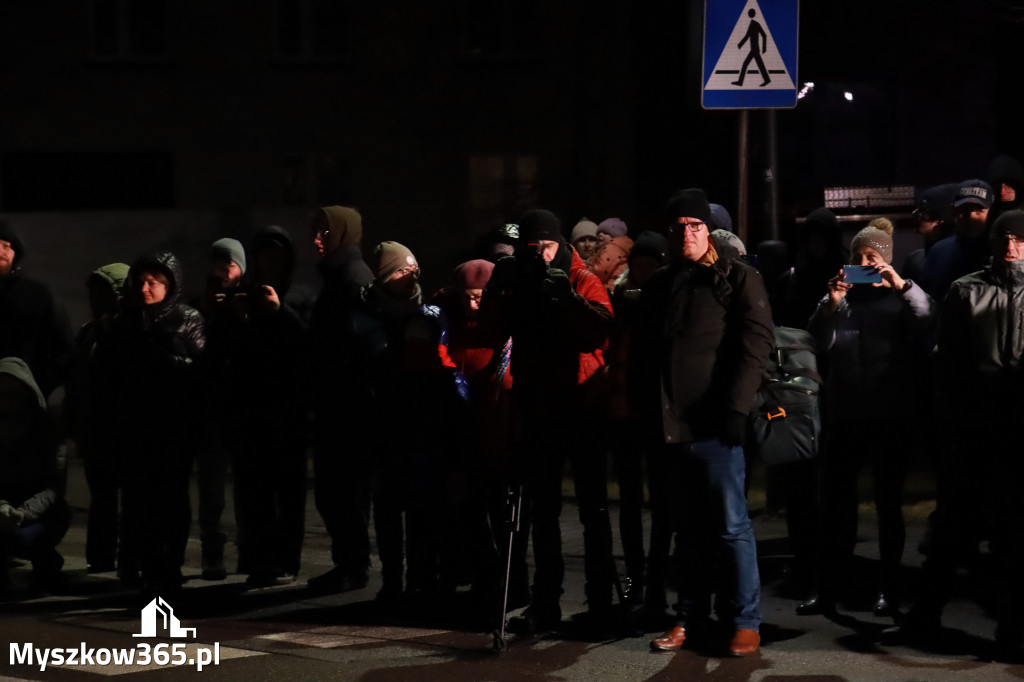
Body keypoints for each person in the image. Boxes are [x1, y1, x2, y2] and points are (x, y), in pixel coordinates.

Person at [888, 209, 1024, 658]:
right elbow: (948, 365)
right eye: (1004, 239)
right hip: (974, 428)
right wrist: (951, 423)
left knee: (1013, 535)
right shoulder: (967, 290)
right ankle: (926, 615)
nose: (1011, 247)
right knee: (952, 528)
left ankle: (1013, 630)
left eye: (1019, 240)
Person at [643, 188, 774, 657]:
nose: (686, 234)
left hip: (716, 425)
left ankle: (744, 621)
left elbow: (754, 347)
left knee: (731, 525)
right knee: (688, 528)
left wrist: (737, 410)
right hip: (671, 426)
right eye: (678, 227)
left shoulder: (737, 278)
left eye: (694, 226)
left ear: (708, 229)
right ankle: (689, 617)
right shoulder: (660, 284)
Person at [482, 208, 616, 636]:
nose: (538, 253)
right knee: (542, 512)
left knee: (593, 511)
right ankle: (545, 603)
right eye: (531, 247)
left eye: (546, 246)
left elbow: (599, 333)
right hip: (537, 406)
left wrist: (565, 297)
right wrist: (497, 291)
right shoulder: (520, 279)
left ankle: (602, 602)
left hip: (582, 406)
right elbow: (490, 331)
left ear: (560, 244)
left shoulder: (580, 278)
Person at [798, 218, 936, 618]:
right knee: (835, 507)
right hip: (845, 415)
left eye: (872, 257)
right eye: (857, 256)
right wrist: (831, 304)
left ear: (886, 261)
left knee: (888, 506)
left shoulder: (900, 298)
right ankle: (827, 590)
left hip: (891, 416)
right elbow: (816, 344)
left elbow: (930, 320)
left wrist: (902, 284)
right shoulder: (842, 302)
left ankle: (889, 590)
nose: (863, 262)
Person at [96, 251, 205, 597]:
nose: (145, 288)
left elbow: (203, 370)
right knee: (136, 499)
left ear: (169, 284)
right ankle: (139, 563)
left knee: (171, 498)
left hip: (174, 425)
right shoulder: (123, 320)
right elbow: (106, 375)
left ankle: (169, 565)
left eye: (153, 282)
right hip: (133, 423)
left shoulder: (186, 318)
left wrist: (164, 359)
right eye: (140, 281)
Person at [308, 205, 375, 593]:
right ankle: (347, 563)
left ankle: (353, 565)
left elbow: (357, 344)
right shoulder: (338, 275)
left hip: (348, 406)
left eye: (323, 231)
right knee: (334, 492)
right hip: (337, 402)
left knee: (345, 492)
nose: (317, 239)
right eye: (315, 231)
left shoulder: (351, 277)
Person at [608, 231, 671, 611]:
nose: (643, 272)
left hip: (657, 417)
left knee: (662, 509)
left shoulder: (668, 303)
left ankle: (658, 589)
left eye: (652, 265)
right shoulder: (616, 300)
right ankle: (633, 586)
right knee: (630, 509)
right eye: (639, 264)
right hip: (622, 415)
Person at [64, 263, 130, 574]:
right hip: (95, 429)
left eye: (103, 291)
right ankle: (102, 556)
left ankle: (127, 556)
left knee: (127, 498)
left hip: (123, 428)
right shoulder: (89, 333)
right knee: (102, 497)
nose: (96, 298)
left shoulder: (128, 330)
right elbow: (77, 381)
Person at [194, 238, 249, 581]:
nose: (224, 272)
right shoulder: (198, 307)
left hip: (242, 407)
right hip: (210, 407)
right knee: (211, 487)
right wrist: (206, 312)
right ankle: (211, 552)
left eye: (230, 265)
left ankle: (248, 550)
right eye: (219, 264)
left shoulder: (249, 302)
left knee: (246, 486)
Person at [0, 357, 70, 593]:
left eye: (13, 393)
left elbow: (52, 488)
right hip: (5, 509)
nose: (6, 400)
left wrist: (22, 513)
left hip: (41, 513)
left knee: (20, 538)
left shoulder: (47, 433)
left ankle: (47, 561)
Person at [0, 221, 74, 399]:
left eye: (6, 246)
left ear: (15, 253)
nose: (0, 251)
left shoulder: (39, 295)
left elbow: (65, 350)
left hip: (24, 406)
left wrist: (36, 387)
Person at [922, 178, 994, 301]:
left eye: (978, 211)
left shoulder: (1003, 251)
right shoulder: (938, 251)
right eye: (964, 210)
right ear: (953, 210)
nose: (970, 217)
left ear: (991, 212)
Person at [777, 208, 846, 330]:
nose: (816, 244)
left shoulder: (845, 275)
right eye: (812, 238)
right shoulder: (793, 277)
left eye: (822, 238)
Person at [903, 183, 958, 284]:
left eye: (924, 211)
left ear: (941, 219)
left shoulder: (953, 261)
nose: (916, 215)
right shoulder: (915, 259)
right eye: (917, 209)